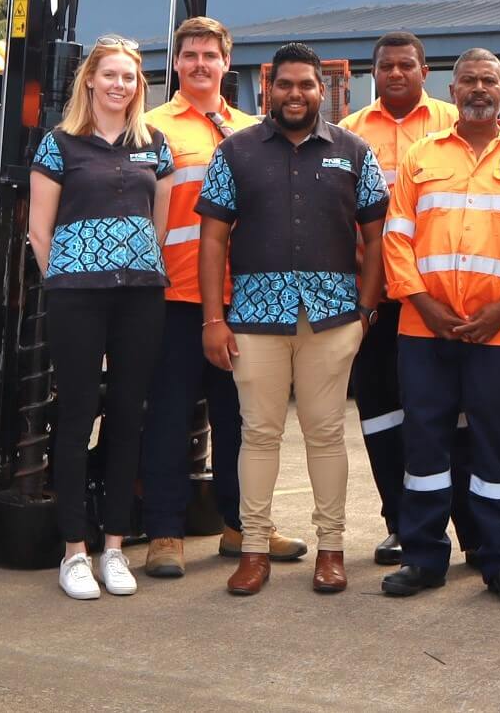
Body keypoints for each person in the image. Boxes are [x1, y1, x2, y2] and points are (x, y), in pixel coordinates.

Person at [197, 42, 388, 596]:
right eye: (286, 85)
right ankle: (252, 549)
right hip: (255, 317)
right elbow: (213, 239)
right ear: (268, 87)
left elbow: (376, 237)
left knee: (326, 434)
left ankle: (331, 550)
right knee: (258, 434)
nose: (297, 94)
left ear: (320, 90)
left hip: (332, 318)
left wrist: (367, 311)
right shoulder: (236, 152)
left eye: (307, 85)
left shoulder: (353, 152)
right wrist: (215, 318)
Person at [380, 48, 500, 605]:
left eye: (489, 80)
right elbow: (396, 237)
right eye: (469, 81)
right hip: (423, 327)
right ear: (453, 90)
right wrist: (424, 303)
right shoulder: (421, 156)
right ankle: (423, 557)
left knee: (497, 446)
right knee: (426, 443)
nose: (479, 89)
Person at [138, 16, 306, 579]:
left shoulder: (255, 130)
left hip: (248, 299)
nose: (201, 64)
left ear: (226, 63)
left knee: (245, 422)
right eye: (190, 55)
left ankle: (244, 528)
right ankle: (165, 532)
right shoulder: (152, 128)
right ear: (177, 64)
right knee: (168, 416)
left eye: (211, 55)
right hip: (176, 298)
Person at [27, 35, 175, 600]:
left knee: (126, 416)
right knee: (76, 414)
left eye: (129, 77)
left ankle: (114, 547)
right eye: (109, 75)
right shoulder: (59, 144)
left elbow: (159, 226)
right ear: (89, 80)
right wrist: (69, 276)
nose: (119, 85)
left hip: (140, 294)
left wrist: (129, 261)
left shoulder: (154, 146)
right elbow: (40, 230)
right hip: (77, 297)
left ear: (139, 86)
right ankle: (74, 552)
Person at [340, 31, 471, 567]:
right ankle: (401, 522)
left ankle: (469, 529)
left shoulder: (453, 123)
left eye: (406, 65)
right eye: (386, 66)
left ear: (425, 70)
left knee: (449, 416)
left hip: (438, 300)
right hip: (376, 296)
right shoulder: (347, 133)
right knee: (381, 415)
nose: (395, 74)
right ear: (375, 72)